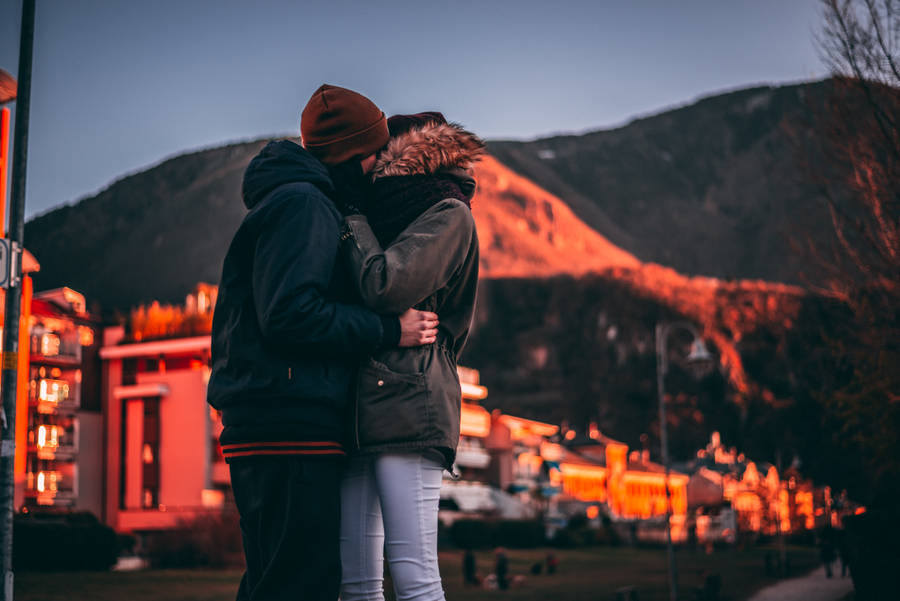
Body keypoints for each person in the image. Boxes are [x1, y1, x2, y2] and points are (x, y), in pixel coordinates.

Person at [207, 84, 438, 601]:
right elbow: (289, 315)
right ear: (353, 155)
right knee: (301, 584)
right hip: (288, 422)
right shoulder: (304, 207)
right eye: (378, 152)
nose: (382, 163)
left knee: (277, 582)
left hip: (272, 419)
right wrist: (387, 329)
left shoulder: (293, 201)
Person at [336, 112, 484, 601]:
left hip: (410, 402)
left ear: (404, 156)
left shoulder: (448, 213)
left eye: (381, 155)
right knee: (356, 583)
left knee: (414, 575)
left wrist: (353, 216)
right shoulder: (384, 217)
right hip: (357, 409)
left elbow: (386, 284)